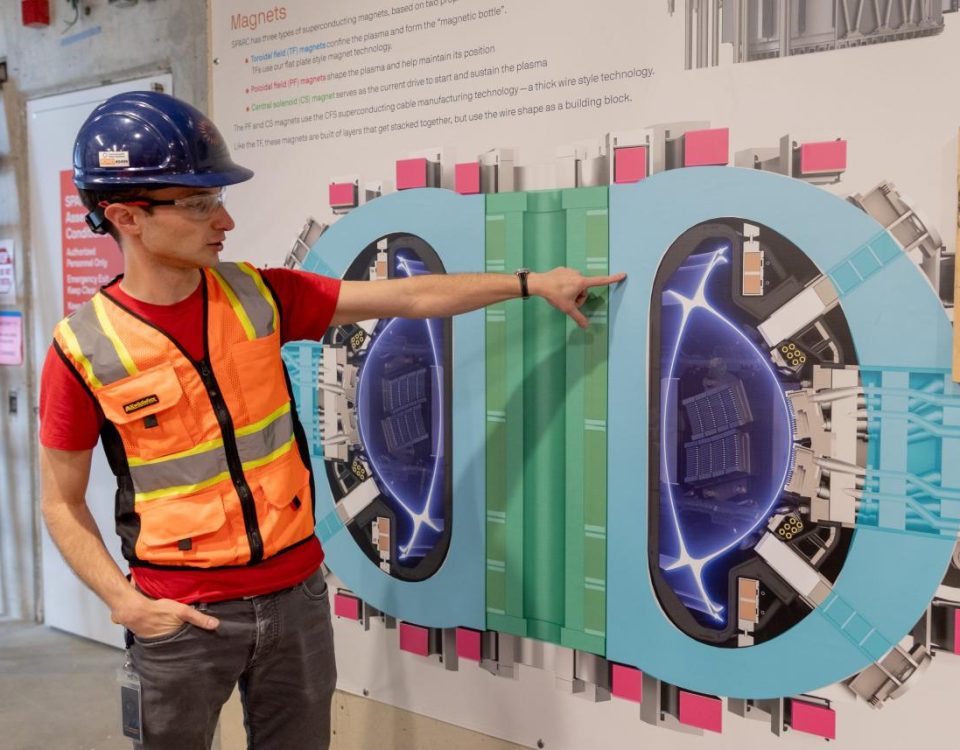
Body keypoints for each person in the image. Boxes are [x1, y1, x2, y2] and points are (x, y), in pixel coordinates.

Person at [38, 91, 625, 750]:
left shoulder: (261, 296)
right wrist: (123, 601)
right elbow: (61, 500)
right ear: (126, 217)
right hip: (181, 618)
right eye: (200, 204)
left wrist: (529, 283)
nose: (224, 219)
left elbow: (411, 295)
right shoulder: (82, 348)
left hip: (296, 602)